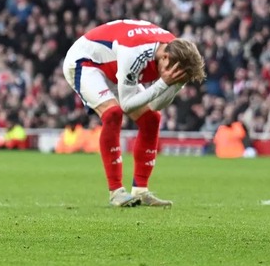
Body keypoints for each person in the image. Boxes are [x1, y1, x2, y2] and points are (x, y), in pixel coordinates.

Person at [62, 19, 205, 207]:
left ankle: (141, 191)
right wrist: (164, 83)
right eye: (176, 73)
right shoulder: (135, 53)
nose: (175, 75)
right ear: (165, 58)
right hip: (86, 62)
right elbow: (128, 105)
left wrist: (175, 85)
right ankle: (116, 192)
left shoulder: (176, 54)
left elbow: (154, 106)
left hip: (115, 68)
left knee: (151, 119)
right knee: (113, 113)